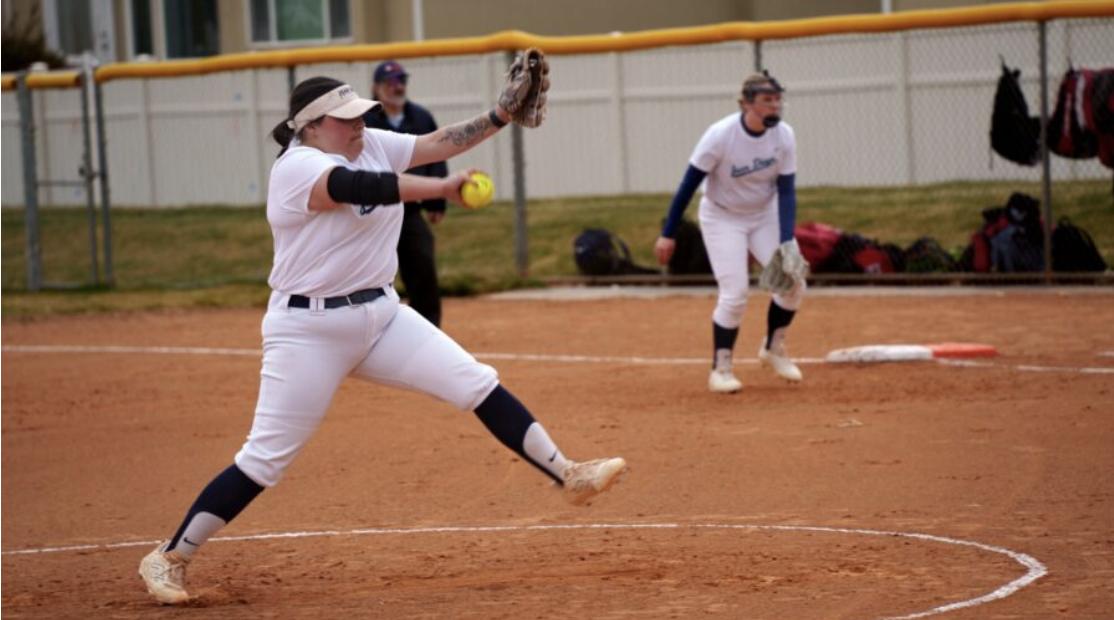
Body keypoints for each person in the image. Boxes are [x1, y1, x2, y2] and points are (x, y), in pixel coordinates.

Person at [138, 73, 628, 605]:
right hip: (308, 331)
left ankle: (568, 473)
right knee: (265, 459)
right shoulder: (298, 168)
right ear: (311, 127)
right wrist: (441, 188)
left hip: (381, 314)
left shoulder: (368, 142)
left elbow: (433, 144)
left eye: (359, 114)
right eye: (345, 118)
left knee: (476, 383)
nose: (358, 124)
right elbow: (360, 188)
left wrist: (499, 116)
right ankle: (170, 556)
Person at [653, 71, 806, 394]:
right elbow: (687, 186)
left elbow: (787, 191)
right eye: (766, 101)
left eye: (778, 100)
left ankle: (773, 347)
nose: (775, 107)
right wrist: (669, 233)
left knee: (793, 281)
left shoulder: (784, 136)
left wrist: (786, 240)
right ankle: (720, 368)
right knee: (735, 293)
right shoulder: (721, 136)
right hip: (722, 218)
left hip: (763, 214)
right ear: (745, 104)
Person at [363, 60, 448, 327]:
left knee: (423, 269)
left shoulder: (420, 117)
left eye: (401, 81)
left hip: (409, 210)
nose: (398, 87)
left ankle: (428, 332)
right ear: (376, 88)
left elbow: (438, 157)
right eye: (390, 82)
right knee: (366, 277)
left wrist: (436, 201)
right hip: (369, 214)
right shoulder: (364, 120)